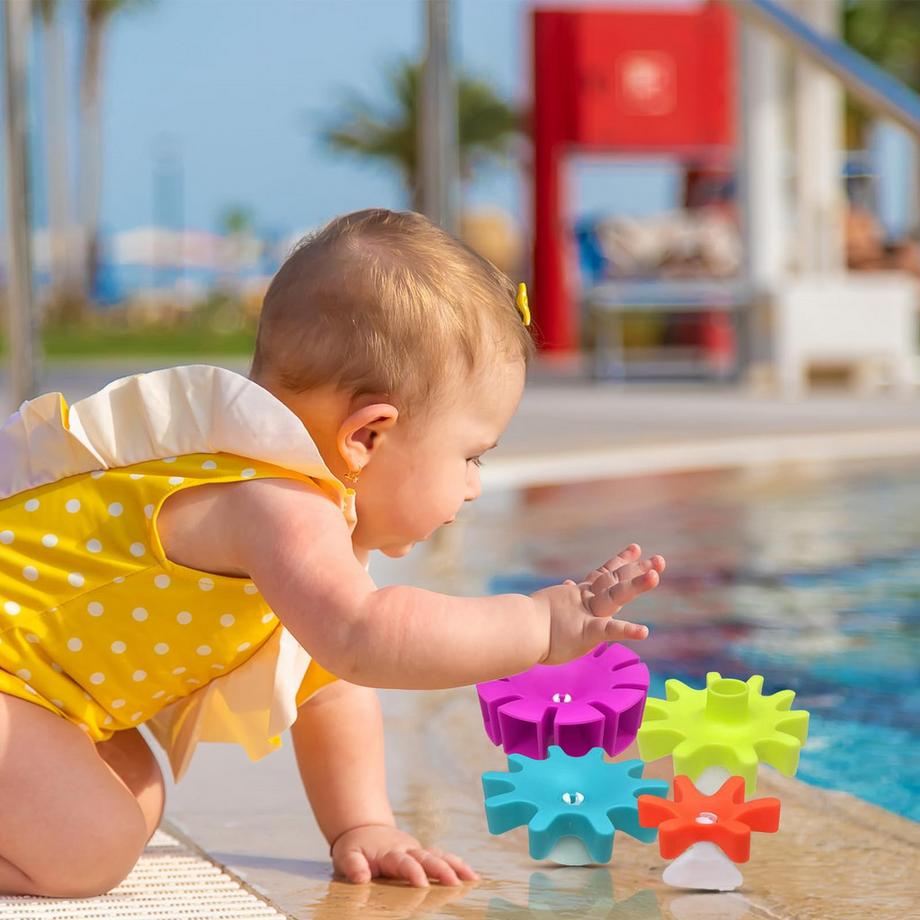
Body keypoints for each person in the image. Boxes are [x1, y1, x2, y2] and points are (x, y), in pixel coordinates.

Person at [0, 209, 664, 897]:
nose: (473, 488)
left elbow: (330, 685)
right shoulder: (271, 505)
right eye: (470, 456)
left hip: (41, 697)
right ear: (368, 436)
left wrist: (363, 826)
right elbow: (364, 639)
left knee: (135, 794)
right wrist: (538, 627)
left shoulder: (296, 521)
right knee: (91, 844)